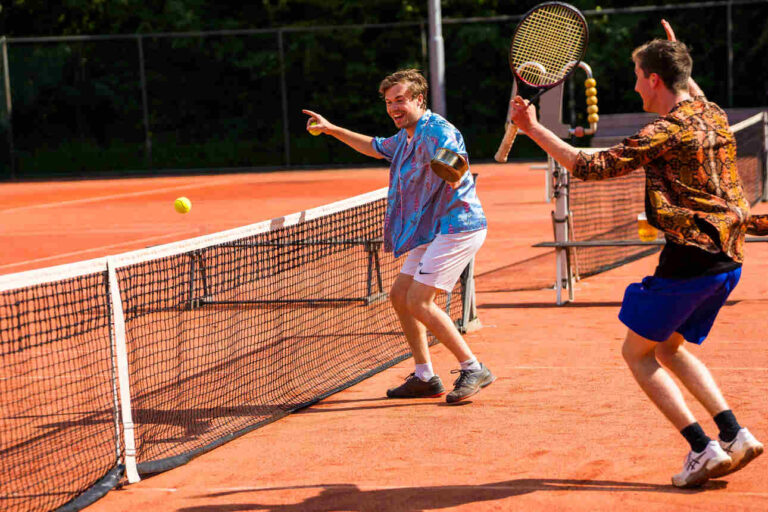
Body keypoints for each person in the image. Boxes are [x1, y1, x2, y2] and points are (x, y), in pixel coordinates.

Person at [509, 20, 763, 488]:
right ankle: (735, 435)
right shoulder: (712, 114)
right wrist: (676, 53)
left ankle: (702, 449)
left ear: (654, 80)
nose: (634, 86)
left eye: (637, 75)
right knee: (668, 347)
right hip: (730, 257)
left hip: (692, 260)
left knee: (637, 354)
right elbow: (692, 92)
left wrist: (533, 128)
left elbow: (590, 166)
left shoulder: (663, 132)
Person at [302, 69, 494, 403]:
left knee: (419, 301)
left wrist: (453, 173)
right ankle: (425, 376)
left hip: (458, 227)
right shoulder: (405, 137)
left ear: (419, 99)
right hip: (432, 229)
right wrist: (332, 129)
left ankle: (473, 367)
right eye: (389, 102)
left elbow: (455, 159)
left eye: (400, 100)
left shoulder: (437, 130)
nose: (394, 108)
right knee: (399, 295)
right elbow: (375, 147)